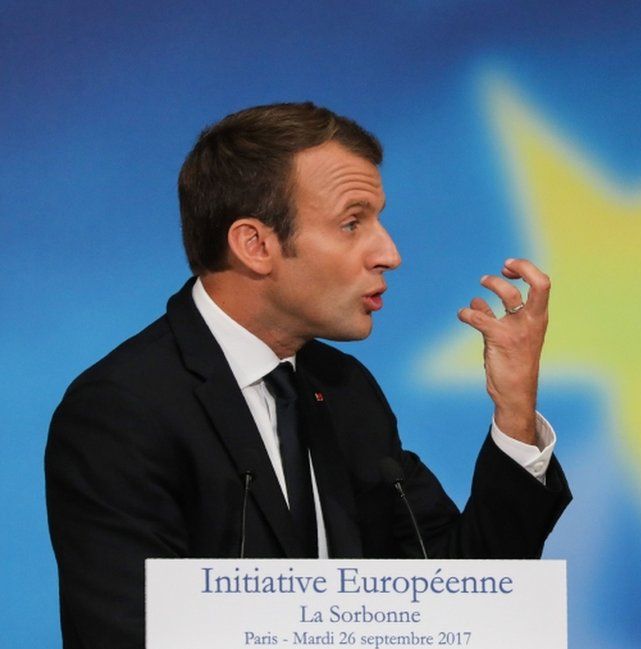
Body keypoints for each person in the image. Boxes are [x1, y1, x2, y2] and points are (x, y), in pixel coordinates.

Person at [45, 102, 570, 648]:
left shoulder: (347, 391)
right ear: (256, 245)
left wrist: (515, 410)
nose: (389, 253)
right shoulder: (122, 410)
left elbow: (462, 592)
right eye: (351, 223)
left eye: (379, 219)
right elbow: (130, 633)